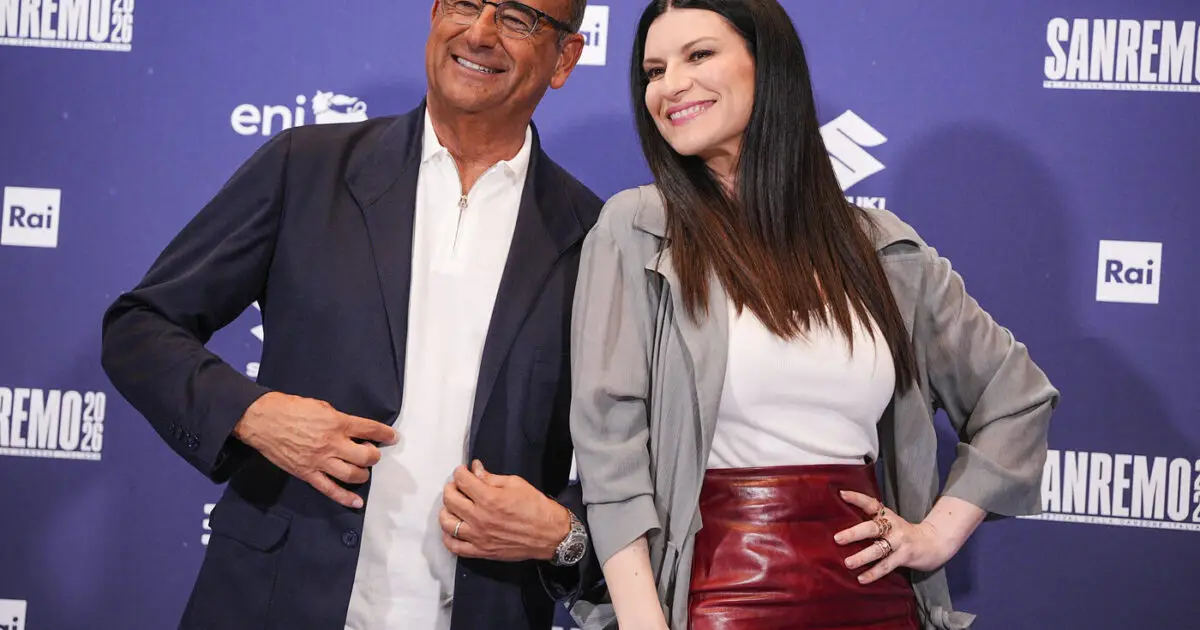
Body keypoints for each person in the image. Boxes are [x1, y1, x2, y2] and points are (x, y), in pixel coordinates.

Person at [101, 1, 603, 628]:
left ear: (565, 59)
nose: (479, 32)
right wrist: (254, 415)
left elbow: (632, 462)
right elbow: (140, 327)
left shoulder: (595, 238)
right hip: (274, 603)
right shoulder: (307, 167)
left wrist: (563, 533)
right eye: (465, 3)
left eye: (516, 17)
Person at [567, 1, 1059, 629]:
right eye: (654, 71)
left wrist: (935, 535)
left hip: (875, 603)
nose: (670, 86)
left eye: (699, 55)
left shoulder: (879, 249)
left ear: (768, 65)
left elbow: (1016, 400)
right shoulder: (638, 229)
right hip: (713, 601)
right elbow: (610, 452)